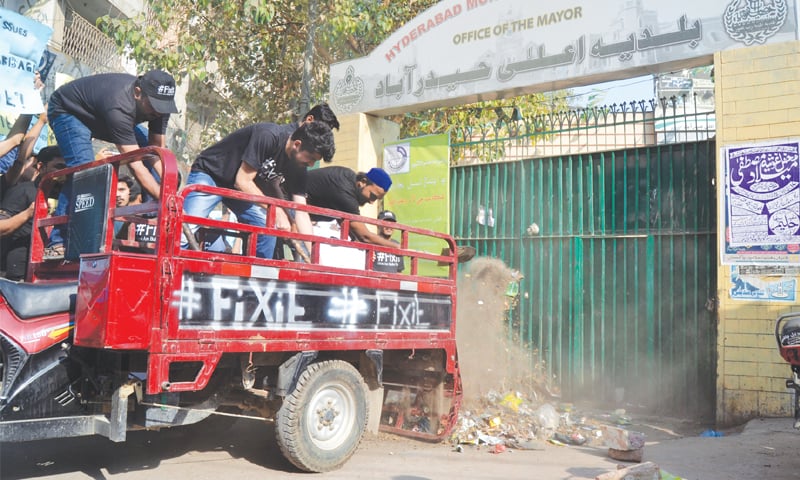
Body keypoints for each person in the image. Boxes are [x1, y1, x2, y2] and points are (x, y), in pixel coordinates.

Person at [45, 69, 179, 258]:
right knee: (84, 172)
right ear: (138, 93)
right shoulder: (119, 105)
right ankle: (58, 241)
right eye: (153, 105)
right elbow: (135, 163)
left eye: (162, 107)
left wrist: (170, 184)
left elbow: (156, 150)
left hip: (101, 116)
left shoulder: (161, 106)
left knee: (169, 169)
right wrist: (166, 198)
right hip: (69, 112)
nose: (158, 112)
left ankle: (148, 219)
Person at [183, 121, 335, 259]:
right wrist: (277, 211)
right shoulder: (268, 135)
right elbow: (242, 181)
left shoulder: (299, 166)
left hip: (240, 190)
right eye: (311, 158)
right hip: (212, 174)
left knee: (266, 227)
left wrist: (313, 256)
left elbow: (301, 211)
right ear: (297, 144)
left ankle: (258, 281)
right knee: (184, 229)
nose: (311, 164)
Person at [1, 146, 66, 280]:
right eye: (58, 166)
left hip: (50, 273)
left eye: (67, 167)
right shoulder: (23, 191)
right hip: (15, 277)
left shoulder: (67, 198)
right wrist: (28, 213)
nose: (64, 172)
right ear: (41, 167)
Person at [305, 166, 398, 249]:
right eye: (372, 196)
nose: (371, 202)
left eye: (376, 199)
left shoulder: (348, 177)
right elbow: (365, 236)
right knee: (307, 256)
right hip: (293, 204)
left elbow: (348, 224)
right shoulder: (346, 193)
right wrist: (398, 247)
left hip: (299, 209)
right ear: (363, 182)